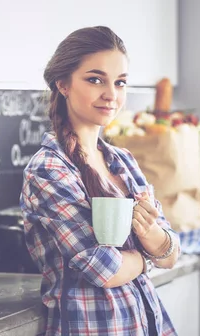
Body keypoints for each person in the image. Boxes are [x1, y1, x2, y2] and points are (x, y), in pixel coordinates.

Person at [20, 26, 181, 335]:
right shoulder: (49, 169)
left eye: (120, 82)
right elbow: (103, 268)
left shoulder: (123, 162)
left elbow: (172, 252)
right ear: (63, 84)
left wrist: (149, 235)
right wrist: (148, 254)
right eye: (95, 80)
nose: (111, 95)